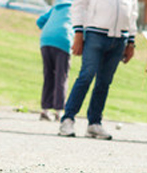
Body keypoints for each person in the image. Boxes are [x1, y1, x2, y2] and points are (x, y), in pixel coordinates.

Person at [58, 0, 138, 139]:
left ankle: (94, 124)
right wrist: (78, 32)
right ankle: (68, 119)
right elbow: (79, 5)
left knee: (104, 82)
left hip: (120, 39)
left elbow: (133, 12)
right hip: (95, 34)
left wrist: (131, 40)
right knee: (86, 76)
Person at [37, 0, 74, 122]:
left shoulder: (57, 6)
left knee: (48, 75)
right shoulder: (77, 8)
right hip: (63, 40)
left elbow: (40, 21)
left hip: (46, 40)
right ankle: (59, 111)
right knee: (61, 76)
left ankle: (45, 110)